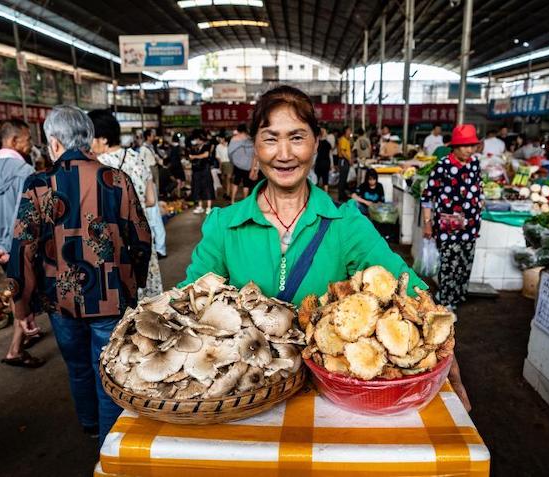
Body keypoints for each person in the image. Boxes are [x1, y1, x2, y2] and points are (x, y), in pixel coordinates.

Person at [181, 85, 470, 410]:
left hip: (327, 398)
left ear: (316, 142)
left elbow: (408, 290)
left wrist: (448, 357)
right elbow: (189, 301)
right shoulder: (224, 225)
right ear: (255, 146)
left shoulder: (346, 225)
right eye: (271, 139)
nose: (284, 154)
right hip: (244, 394)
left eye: (297, 137)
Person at [7, 105, 151, 444]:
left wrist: (22, 306)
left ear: (54, 142)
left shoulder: (38, 184)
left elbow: (23, 248)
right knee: (109, 371)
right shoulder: (116, 180)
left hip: (60, 300)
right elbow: (141, 238)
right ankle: (109, 443)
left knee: (78, 367)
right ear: (88, 138)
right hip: (109, 296)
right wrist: (133, 285)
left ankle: (89, 424)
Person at [0, 120, 44, 368]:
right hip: (21, 247)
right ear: (14, 141)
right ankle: (15, 350)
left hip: (0, 251)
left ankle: (22, 339)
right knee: (23, 296)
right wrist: (14, 248)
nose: (30, 143)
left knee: (18, 292)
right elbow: (24, 214)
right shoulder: (24, 171)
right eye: (28, 138)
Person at [88, 108, 163, 298]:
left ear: (103, 139)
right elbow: (151, 200)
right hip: (143, 238)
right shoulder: (137, 158)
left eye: (90, 138)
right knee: (149, 304)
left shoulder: (97, 166)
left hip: (115, 243)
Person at [422, 124, 483, 311]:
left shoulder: (474, 163)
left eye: (472, 145)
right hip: (448, 226)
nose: (469, 150)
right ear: (455, 146)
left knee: (465, 263)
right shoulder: (443, 166)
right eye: (465, 146)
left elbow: (479, 187)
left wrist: (480, 204)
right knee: (449, 264)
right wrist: (427, 223)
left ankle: (457, 297)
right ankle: (445, 302)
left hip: (470, 225)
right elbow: (427, 196)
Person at [137, 127, 168, 259]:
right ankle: (159, 248)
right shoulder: (143, 149)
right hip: (149, 181)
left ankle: (159, 249)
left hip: (150, 181)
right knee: (154, 218)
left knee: (155, 218)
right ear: (148, 136)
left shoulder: (150, 148)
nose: (154, 137)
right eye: (153, 135)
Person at [189, 129, 215, 214]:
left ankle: (209, 207)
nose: (196, 141)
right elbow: (190, 156)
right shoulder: (194, 147)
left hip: (205, 169)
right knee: (197, 187)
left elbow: (206, 155)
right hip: (196, 170)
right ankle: (200, 206)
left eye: (197, 139)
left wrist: (195, 157)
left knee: (207, 187)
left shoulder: (206, 146)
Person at [228, 123, 256, 203]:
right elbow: (254, 153)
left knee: (235, 183)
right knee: (246, 185)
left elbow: (230, 152)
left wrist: (232, 161)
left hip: (237, 165)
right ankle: (245, 201)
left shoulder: (234, 139)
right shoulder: (250, 139)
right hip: (248, 165)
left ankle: (232, 201)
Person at [315, 126, 333, 193]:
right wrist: (332, 165)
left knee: (316, 179)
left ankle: (315, 194)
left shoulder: (316, 143)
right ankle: (326, 194)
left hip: (318, 163)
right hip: (326, 163)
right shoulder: (328, 144)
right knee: (325, 180)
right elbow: (330, 155)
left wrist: (313, 163)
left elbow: (315, 154)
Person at [337, 126, 352, 201]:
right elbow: (342, 152)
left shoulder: (347, 140)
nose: (350, 132)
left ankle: (343, 195)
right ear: (345, 131)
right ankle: (341, 196)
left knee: (344, 178)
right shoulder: (343, 140)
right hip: (343, 161)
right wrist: (349, 159)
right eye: (349, 130)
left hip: (345, 161)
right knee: (342, 179)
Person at [216, 133, 233, 199]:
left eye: (220, 138)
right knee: (223, 179)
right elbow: (218, 156)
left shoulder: (229, 145)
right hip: (222, 163)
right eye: (219, 139)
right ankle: (226, 192)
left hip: (229, 163)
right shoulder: (218, 146)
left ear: (224, 139)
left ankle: (228, 194)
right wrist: (220, 165)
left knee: (228, 178)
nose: (219, 140)